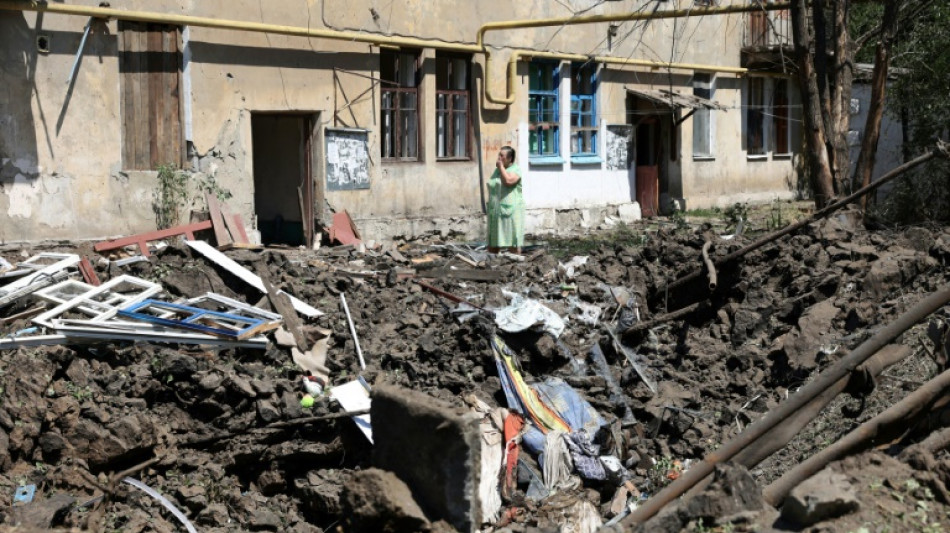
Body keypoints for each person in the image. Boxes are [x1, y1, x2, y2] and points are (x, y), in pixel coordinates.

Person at [487, 145, 525, 253]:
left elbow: (508, 181)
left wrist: (501, 168)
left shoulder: (515, 169)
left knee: (512, 242)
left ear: (509, 158)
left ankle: (516, 266)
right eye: (499, 155)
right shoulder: (497, 170)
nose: (499, 157)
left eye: (502, 156)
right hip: (496, 212)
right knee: (493, 242)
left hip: (511, 212)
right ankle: (492, 267)